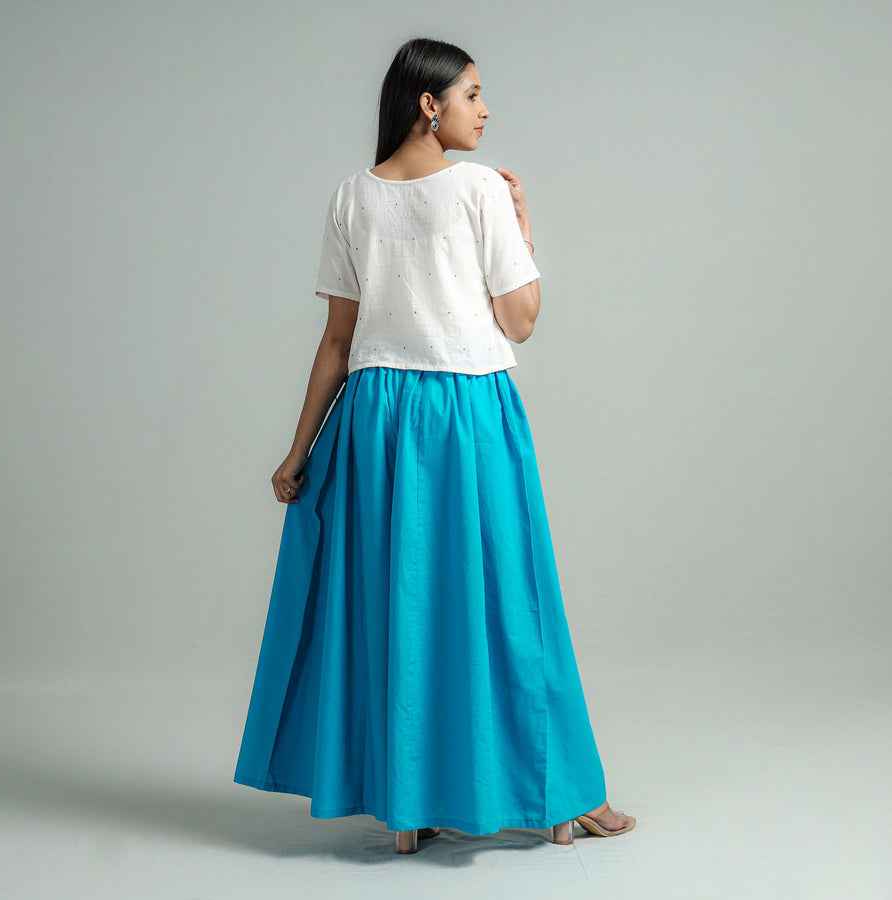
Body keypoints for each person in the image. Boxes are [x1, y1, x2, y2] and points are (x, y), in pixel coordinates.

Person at [233, 37, 636, 855]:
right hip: (466, 410)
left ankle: (411, 801)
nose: (485, 110)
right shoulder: (481, 189)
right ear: (430, 103)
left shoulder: (352, 195)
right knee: (509, 600)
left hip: (375, 417)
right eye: (473, 94)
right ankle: (564, 794)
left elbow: (337, 340)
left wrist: (298, 450)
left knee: (400, 607)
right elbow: (520, 320)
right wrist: (523, 230)